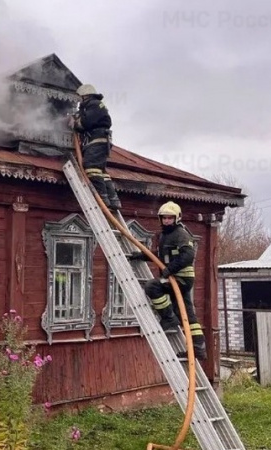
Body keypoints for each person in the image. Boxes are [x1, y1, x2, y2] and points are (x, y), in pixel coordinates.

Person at [127, 201, 206, 361]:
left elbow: (188, 256)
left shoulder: (181, 234)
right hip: (176, 278)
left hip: (181, 278)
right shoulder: (165, 235)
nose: (167, 221)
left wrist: (170, 269)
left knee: (152, 286)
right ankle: (198, 349)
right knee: (187, 315)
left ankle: (169, 318)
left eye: (170, 218)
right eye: (164, 218)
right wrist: (141, 256)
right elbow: (160, 255)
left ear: (177, 218)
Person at [69, 83, 121, 211]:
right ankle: (113, 199)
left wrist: (75, 123)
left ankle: (102, 198)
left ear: (85, 95)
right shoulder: (96, 106)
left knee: (91, 167)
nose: (79, 101)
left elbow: (86, 122)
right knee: (101, 171)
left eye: (80, 97)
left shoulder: (93, 104)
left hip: (96, 141)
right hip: (100, 141)